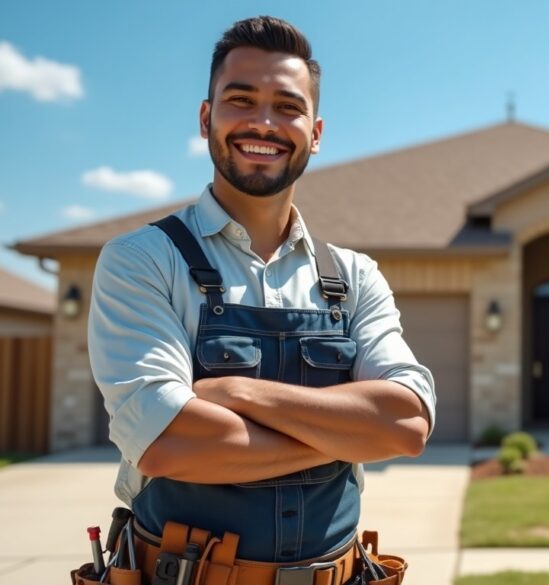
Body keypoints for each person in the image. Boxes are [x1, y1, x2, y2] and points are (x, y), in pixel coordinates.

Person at [88, 15, 434, 583]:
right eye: (241, 100)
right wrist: (345, 434)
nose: (264, 122)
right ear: (207, 118)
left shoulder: (354, 276)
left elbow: (405, 424)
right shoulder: (143, 261)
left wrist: (240, 392)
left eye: (288, 106)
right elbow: (167, 442)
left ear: (315, 133)